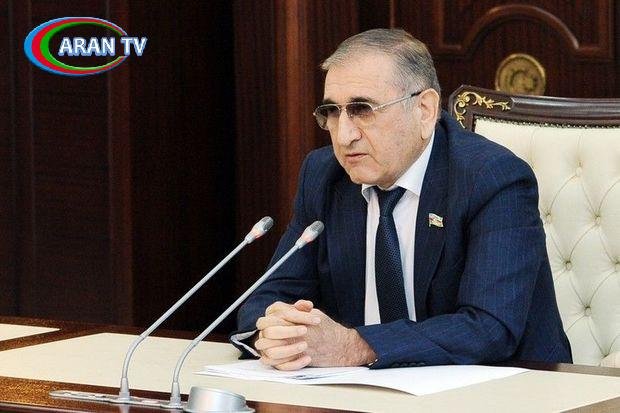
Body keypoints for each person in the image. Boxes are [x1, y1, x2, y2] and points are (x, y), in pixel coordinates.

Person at [230, 28, 572, 370]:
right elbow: (267, 298)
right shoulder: (325, 175)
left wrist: (357, 346)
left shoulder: (492, 178)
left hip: (503, 385)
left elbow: (489, 328)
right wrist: (277, 332)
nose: (344, 135)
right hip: (360, 389)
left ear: (424, 110)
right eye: (332, 112)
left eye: (362, 109)